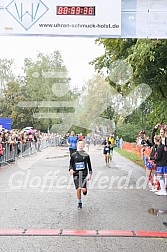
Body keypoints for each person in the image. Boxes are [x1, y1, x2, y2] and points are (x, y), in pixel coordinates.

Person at [69, 139, 92, 209]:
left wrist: (90, 174)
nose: (81, 145)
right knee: (78, 188)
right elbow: (71, 164)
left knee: (83, 189)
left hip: (84, 174)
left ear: (84, 145)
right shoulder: (73, 155)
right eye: (79, 144)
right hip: (76, 174)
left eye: (82, 144)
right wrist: (71, 169)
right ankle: (79, 202)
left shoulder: (86, 155)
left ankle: (85, 190)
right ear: (77, 145)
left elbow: (89, 166)